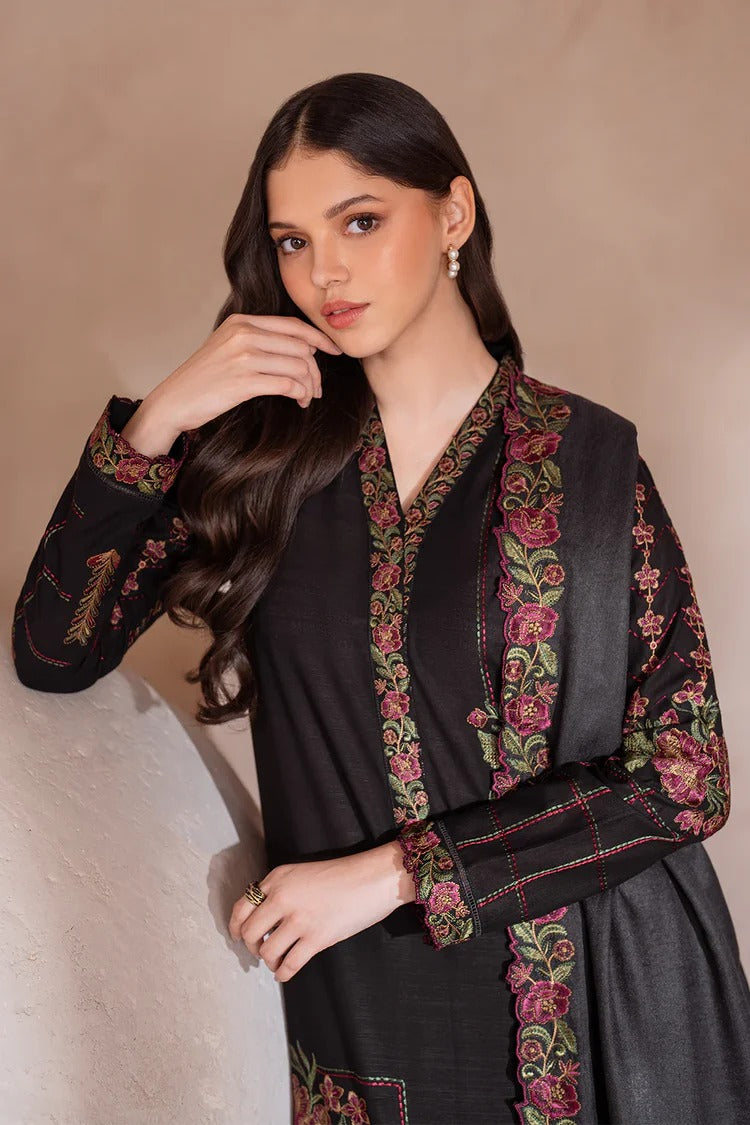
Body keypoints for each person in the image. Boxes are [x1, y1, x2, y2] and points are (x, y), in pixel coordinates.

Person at [11, 71, 750, 1124]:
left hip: (593, 1018)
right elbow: (53, 649)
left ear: (454, 214)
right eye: (293, 240)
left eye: (360, 221)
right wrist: (159, 419)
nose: (324, 271)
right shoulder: (266, 462)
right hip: (363, 1030)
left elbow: (686, 775)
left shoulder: (585, 463)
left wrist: (399, 874)